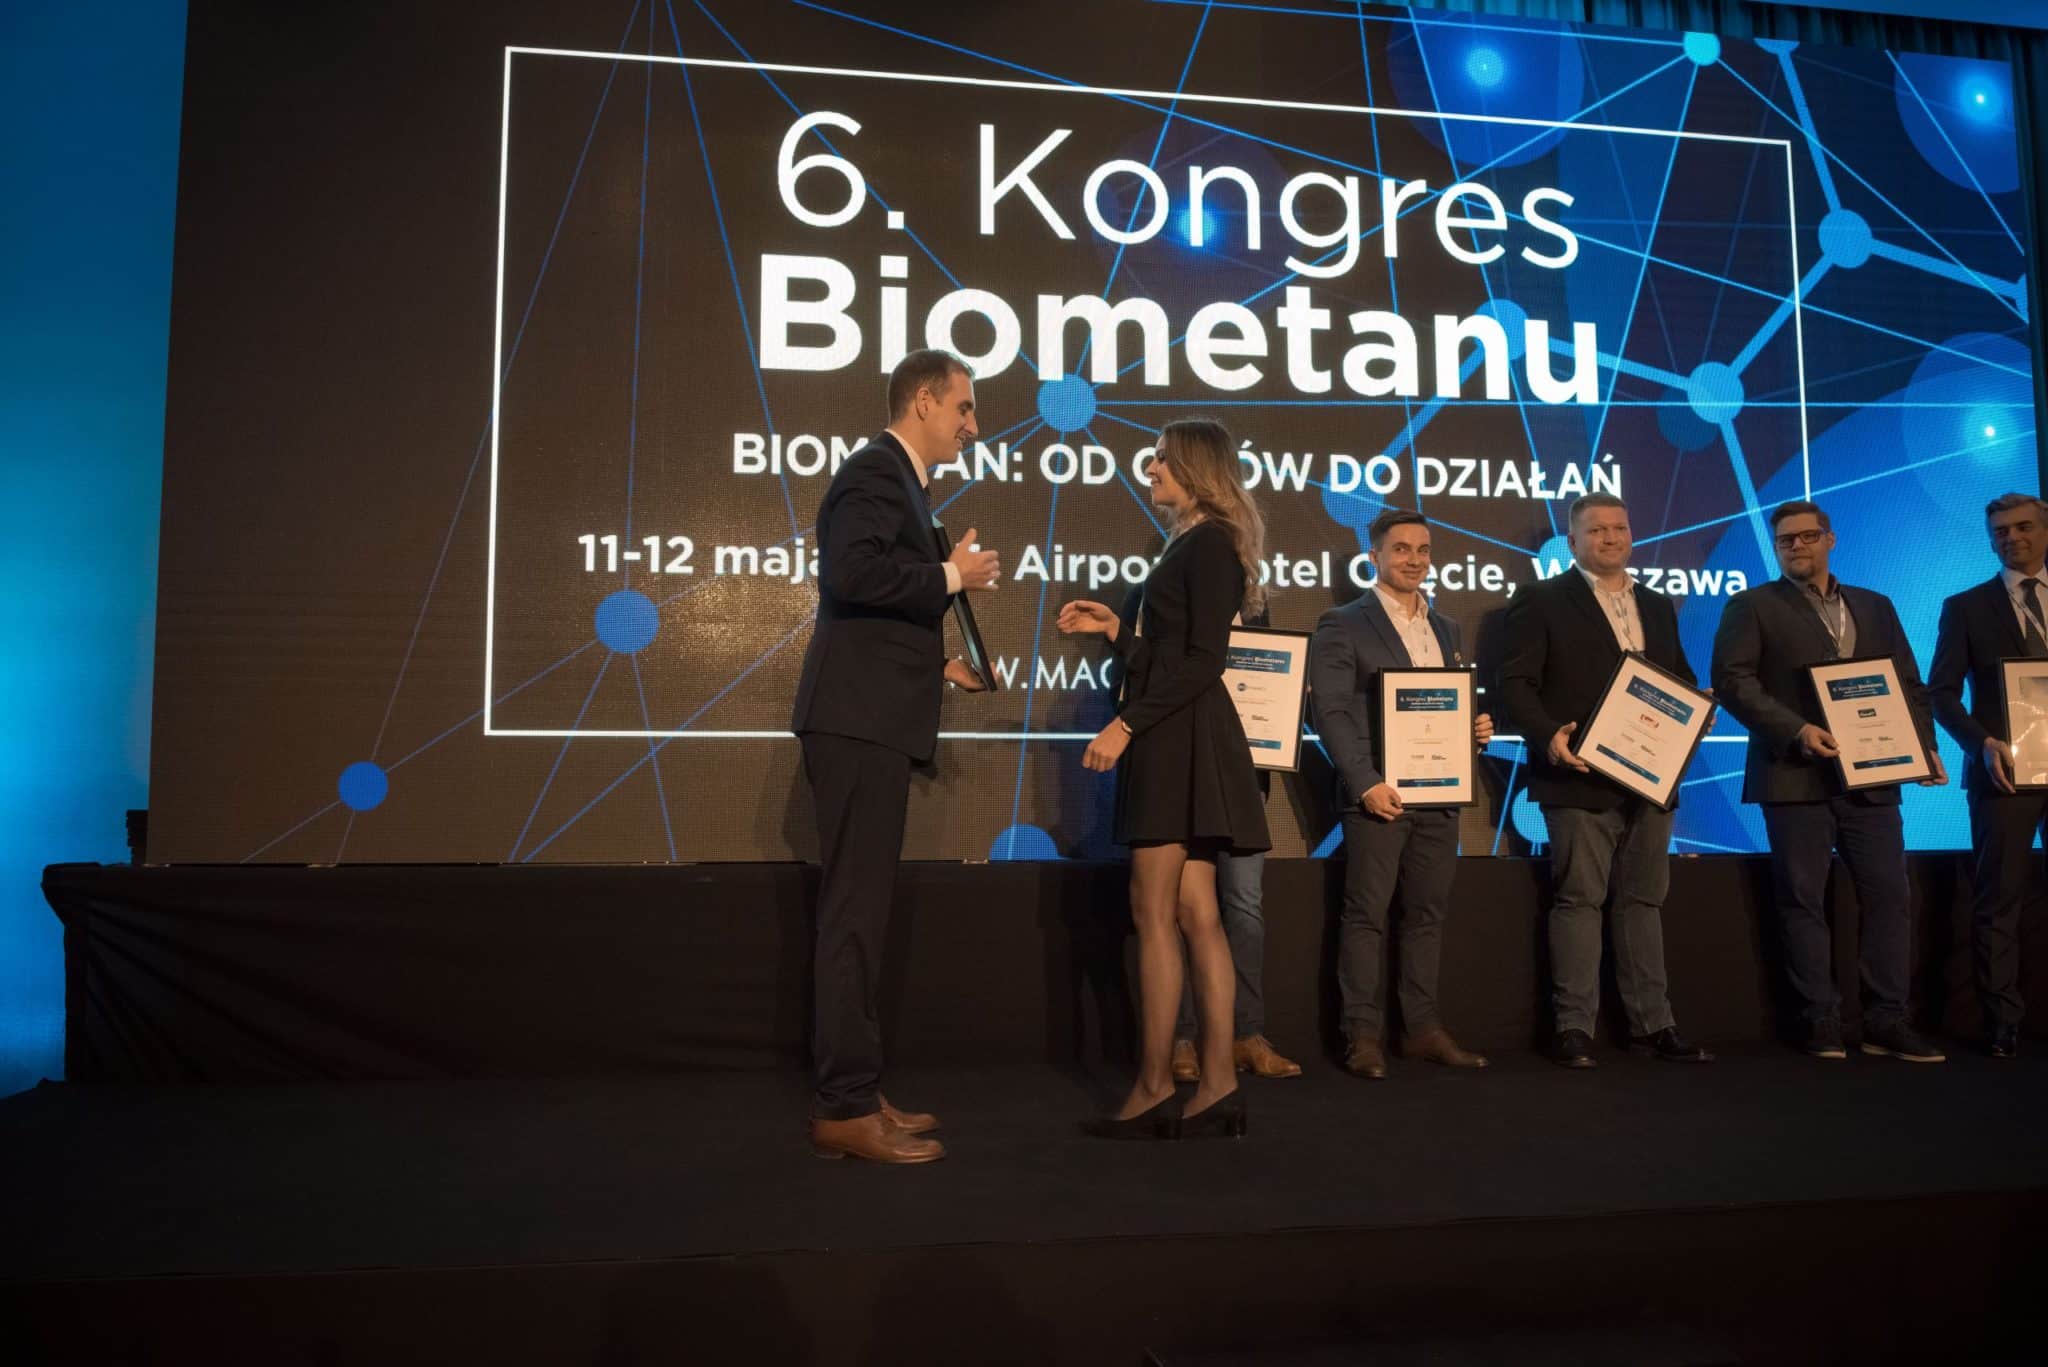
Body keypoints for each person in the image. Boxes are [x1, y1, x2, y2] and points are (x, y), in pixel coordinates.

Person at [790, 349, 1002, 1163]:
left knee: (861, 914)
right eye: (964, 407)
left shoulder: (900, 482)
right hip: (857, 723)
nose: (972, 425)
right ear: (923, 401)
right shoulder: (877, 471)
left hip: (871, 716)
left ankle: (857, 1087)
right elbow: (850, 575)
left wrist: (938, 664)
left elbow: (872, 609)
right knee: (853, 914)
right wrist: (951, 573)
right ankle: (844, 1107)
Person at [1058, 417, 1271, 1140]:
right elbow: (1174, 655)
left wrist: (1125, 725)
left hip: (1178, 741)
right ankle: (1216, 1085)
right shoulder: (1193, 541)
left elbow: (1204, 662)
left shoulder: (1208, 544)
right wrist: (1117, 632)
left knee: (1155, 912)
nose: (1149, 469)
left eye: (1159, 460)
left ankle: (1155, 1086)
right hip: (1182, 737)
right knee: (1195, 912)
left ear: (1193, 467)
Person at [1712, 500, 1948, 1062]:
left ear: (1830, 540)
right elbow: (1733, 681)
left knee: (1890, 896)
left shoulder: (1875, 605)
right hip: (1794, 775)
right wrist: (1795, 730)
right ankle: (1820, 1019)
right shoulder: (1751, 606)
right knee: (1802, 900)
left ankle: (1886, 1019)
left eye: (1807, 536)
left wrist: (1924, 747)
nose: (1797, 546)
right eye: (1785, 540)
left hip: (1874, 777)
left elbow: (1908, 684)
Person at [1497, 492, 1712, 1067]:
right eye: (1596, 530)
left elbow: (1680, 678)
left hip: (1651, 783)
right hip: (1579, 777)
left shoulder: (1657, 605)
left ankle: (1654, 1025)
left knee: (1643, 900)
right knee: (1579, 900)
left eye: (1619, 528)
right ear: (1573, 541)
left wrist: (1698, 707)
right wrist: (1549, 736)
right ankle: (1574, 1028)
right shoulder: (1541, 599)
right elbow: (1515, 685)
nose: (1611, 538)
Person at [1309, 509, 1495, 1078]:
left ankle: (1421, 1030)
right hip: (1379, 797)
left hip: (1440, 796)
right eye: (1401, 549)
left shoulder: (1447, 628)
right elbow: (1330, 712)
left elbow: (1440, 707)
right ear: (1376, 557)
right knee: (1365, 916)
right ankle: (1362, 1037)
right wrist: (1364, 782)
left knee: (1427, 915)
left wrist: (1472, 730)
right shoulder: (1342, 623)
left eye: (1423, 549)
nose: (1414, 560)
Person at [1929, 492, 2048, 1059]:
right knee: (1999, 898)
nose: (2012, 537)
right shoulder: (1966, 607)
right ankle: (2003, 1021)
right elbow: (1941, 693)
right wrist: (1981, 745)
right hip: (2004, 773)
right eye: (2000, 531)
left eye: (2023, 527)